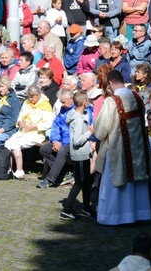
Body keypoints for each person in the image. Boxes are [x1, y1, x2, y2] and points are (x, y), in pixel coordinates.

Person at [94, 70, 151, 225]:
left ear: (111, 83)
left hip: (118, 149)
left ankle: (114, 217)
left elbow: (101, 130)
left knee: (116, 185)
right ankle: (139, 214)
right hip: (137, 149)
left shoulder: (111, 101)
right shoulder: (138, 98)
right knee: (135, 186)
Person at [59, 90, 96, 220]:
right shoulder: (78, 120)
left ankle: (86, 208)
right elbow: (77, 140)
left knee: (86, 182)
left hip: (83, 154)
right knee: (80, 182)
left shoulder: (76, 115)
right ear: (85, 102)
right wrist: (89, 133)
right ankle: (66, 210)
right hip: (80, 155)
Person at [5, 85, 54, 179]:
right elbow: (20, 116)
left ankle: (19, 171)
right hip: (23, 131)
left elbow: (48, 123)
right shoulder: (26, 102)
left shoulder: (45, 105)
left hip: (36, 134)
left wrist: (34, 126)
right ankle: (9, 169)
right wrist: (20, 122)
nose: (30, 99)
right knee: (8, 143)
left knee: (15, 144)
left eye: (32, 97)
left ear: (38, 95)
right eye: (29, 97)